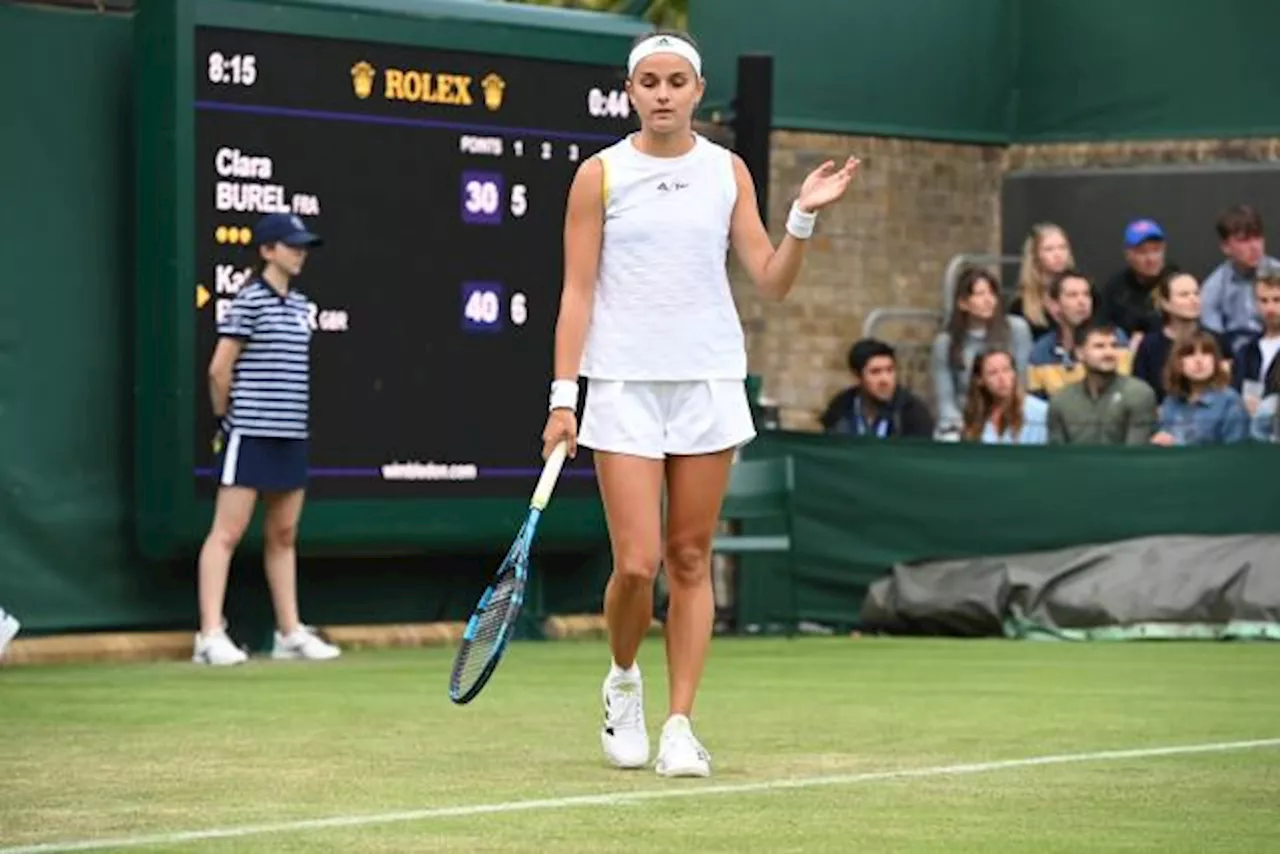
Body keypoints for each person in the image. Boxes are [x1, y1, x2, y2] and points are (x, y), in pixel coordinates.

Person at [540, 30, 858, 778]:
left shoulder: (728, 172)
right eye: (647, 81)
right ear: (630, 92)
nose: (661, 93)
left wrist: (804, 217)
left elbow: (771, 280)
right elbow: (576, 293)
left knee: (689, 557)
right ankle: (623, 678)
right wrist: (564, 398)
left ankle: (680, 724)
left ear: (695, 90)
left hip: (708, 383)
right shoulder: (599, 175)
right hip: (621, 387)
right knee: (636, 566)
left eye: (675, 81)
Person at [193, 213, 342, 667]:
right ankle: (209, 636)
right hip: (250, 432)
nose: (299, 253)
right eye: (291, 245)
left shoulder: (301, 306)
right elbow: (220, 369)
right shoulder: (248, 302)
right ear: (267, 251)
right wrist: (226, 419)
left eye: (303, 247)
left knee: (284, 533)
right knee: (228, 532)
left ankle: (289, 633)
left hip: (290, 434)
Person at [930, 267, 1033, 435]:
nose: (988, 300)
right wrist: (964, 428)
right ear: (963, 303)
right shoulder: (946, 342)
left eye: (992, 293)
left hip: (1010, 417)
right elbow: (945, 399)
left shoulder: (1017, 329)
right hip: (965, 422)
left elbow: (1022, 382)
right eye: (979, 294)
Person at [1047, 321, 1157, 446]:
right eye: (1099, 346)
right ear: (1080, 353)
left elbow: (1135, 454)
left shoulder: (1139, 393)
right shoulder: (1061, 400)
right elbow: (1056, 456)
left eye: (1114, 346)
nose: (1109, 353)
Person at [820, 338, 934, 439]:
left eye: (890, 370)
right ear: (857, 377)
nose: (885, 380)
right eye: (875, 372)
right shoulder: (841, 408)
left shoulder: (912, 413)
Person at [1151, 332, 1250, 447]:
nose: (1199, 360)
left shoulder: (1230, 402)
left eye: (1206, 353)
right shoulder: (1171, 402)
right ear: (1178, 362)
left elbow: (1235, 454)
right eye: (1190, 354)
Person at [960, 350, 1048, 445]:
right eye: (993, 373)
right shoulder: (975, 416)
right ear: (980, 380)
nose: (1002, 378)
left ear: (1014, 374)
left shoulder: (1041, 413)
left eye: (1006, 370)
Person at [1009, 222, 1074, 338]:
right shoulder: (1021, 305)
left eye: (1062, 247)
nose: (1058, 254)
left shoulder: (1084, 291)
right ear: (1035, 255)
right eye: (1049, 249)